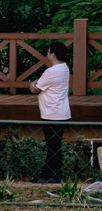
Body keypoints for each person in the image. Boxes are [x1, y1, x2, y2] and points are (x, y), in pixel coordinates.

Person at [31, 41, 72, 183]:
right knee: (55, 146)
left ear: (53, 54)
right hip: (61, 112)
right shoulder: (65, 68)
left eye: (48, 52)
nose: (47, 54)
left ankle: (50, 176)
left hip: (52, 113)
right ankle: (51, 174)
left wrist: (32, 83)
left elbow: (36, 88)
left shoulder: (51, 71)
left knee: (52, 147)